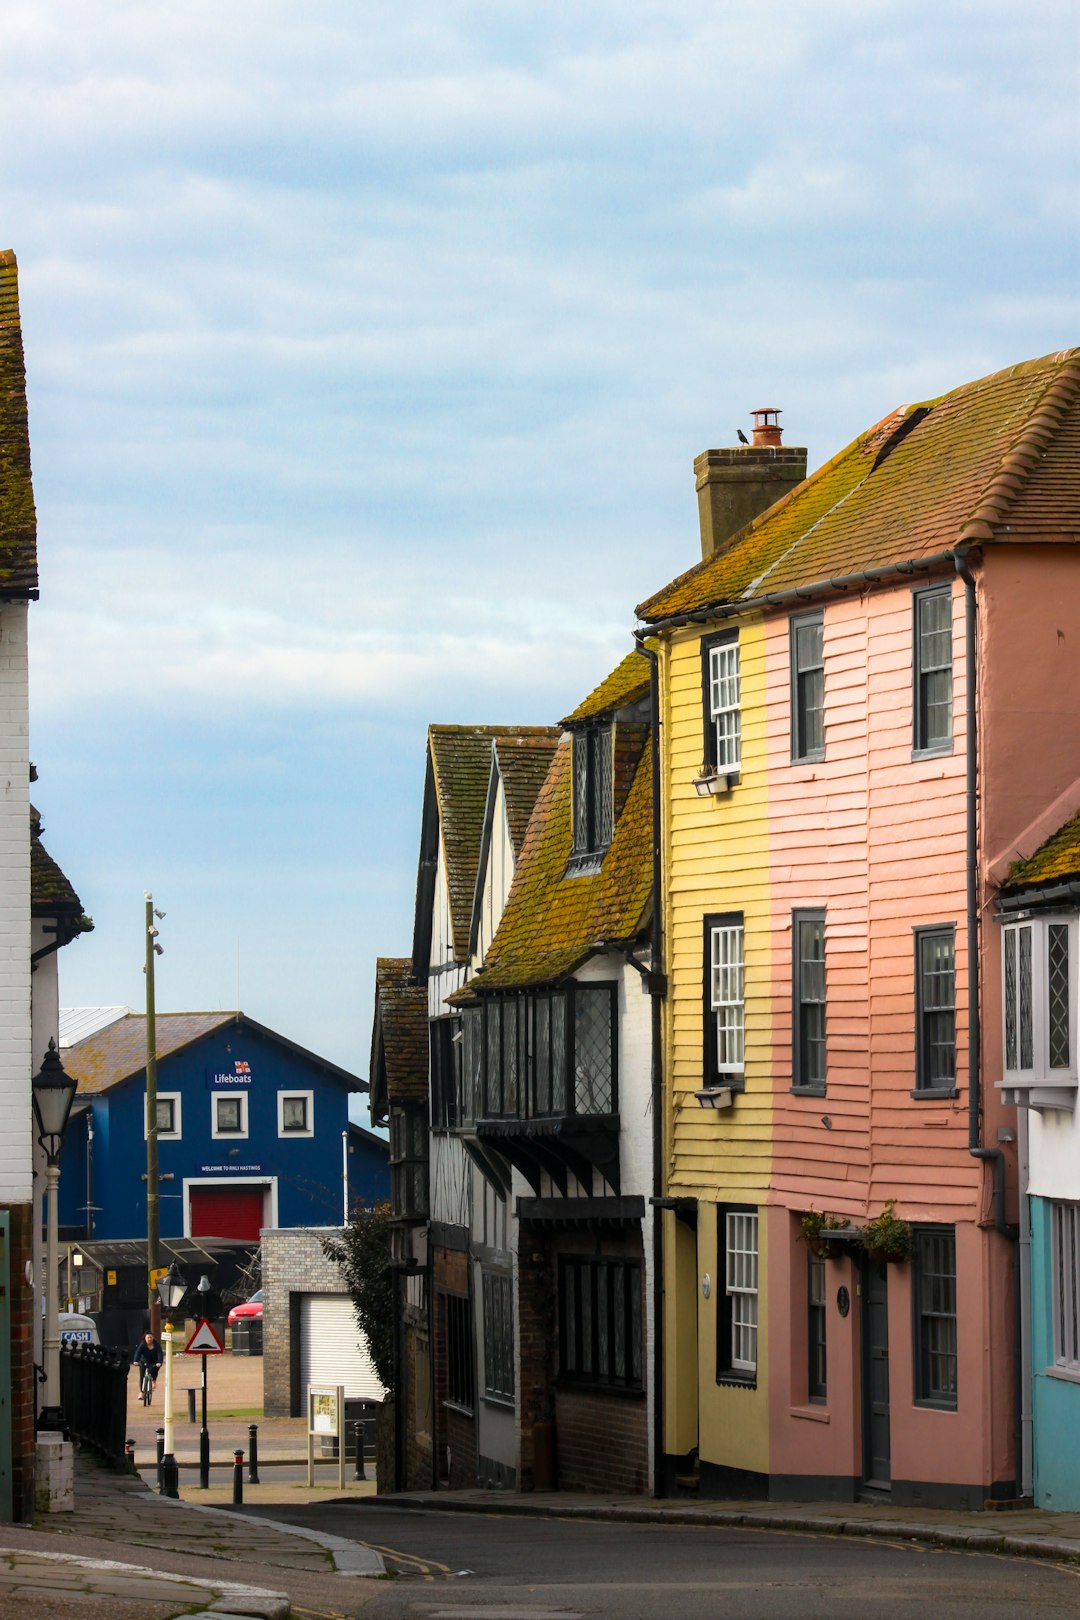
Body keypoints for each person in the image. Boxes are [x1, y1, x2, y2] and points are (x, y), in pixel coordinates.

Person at [133, 1331, 164, 1402]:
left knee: (154, 1369)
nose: (149, 1339)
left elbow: (160, 1353)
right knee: (142, 1376)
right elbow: (138, 1353)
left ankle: (154, 1380)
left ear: (153, 1338)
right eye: (148, 1337)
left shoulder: (156, 1345)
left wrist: (159, 1362)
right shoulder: (142, 1345)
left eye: (150, 1337)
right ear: (145, 1338)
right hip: (144, 1362)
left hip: (154, 1361)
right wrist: (135, 1361)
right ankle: (141, 1392)